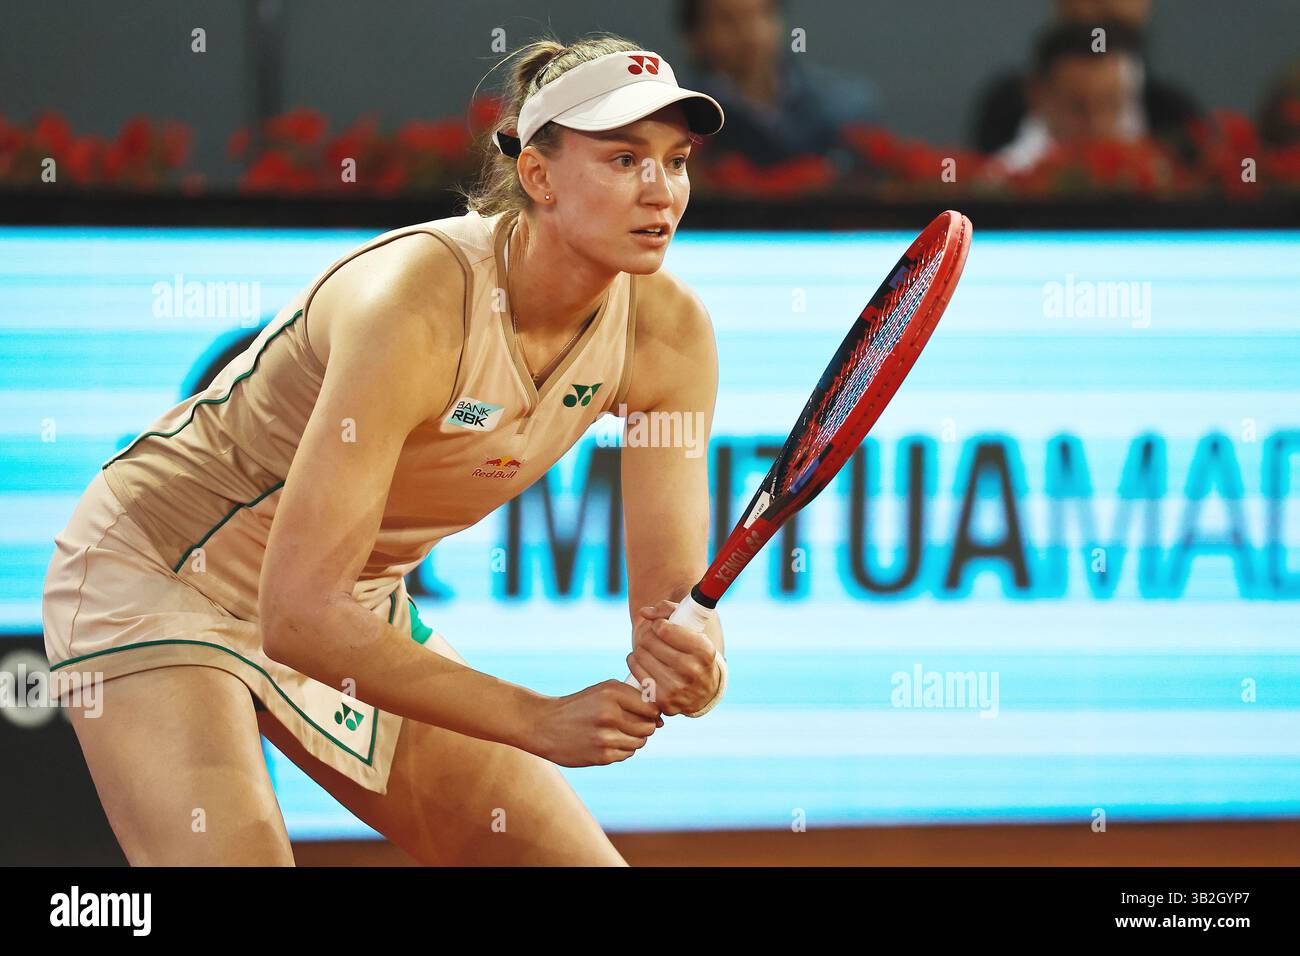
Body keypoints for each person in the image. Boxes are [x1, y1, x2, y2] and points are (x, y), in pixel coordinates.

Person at [41, 34, 728, 866]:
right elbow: (297, 615)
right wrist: (538, 719)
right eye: (624, 159)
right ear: (538, 176)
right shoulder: (416, 303)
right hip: (162, 572)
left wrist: (694, 665)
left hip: (349, 607)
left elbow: (671, 603)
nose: (661, 190)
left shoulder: (670, 334)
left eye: (675, 161)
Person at [970, 4, 1202, 161]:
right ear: (1037, 97)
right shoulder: (1003, 117)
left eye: (1109, 104)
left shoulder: (1175, 117)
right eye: (1077, 107)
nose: (1095, 124)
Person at [674, 0, 877, 173]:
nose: (750, 32)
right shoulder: (683, 117)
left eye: (762, 14)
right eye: (728, 20)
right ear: (695, 36)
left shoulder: (843, 103)